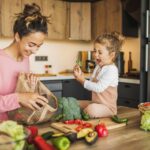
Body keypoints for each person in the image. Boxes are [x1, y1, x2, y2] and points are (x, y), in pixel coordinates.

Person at [0, 3, 49, 121]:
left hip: (16, 126)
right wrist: (19, 98)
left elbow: (19, 95)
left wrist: (29, 87)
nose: (35, 51)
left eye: (38, 46)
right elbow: (18, 98)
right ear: (17, 37)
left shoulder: (25, 58)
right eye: (31, 45)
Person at [73, 32, 124, 118]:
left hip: (107, 108)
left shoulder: (111, 69)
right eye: (94, 51)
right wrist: (81, 76)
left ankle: (81, 116)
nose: (95, 54)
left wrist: (82, 81)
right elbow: (92, 83)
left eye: (100, 52)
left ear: (111, 55)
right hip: (96, 103)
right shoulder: (99, 67)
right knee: (75, 103)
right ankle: (82, 114)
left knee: (91, 110)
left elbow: (99, 88)